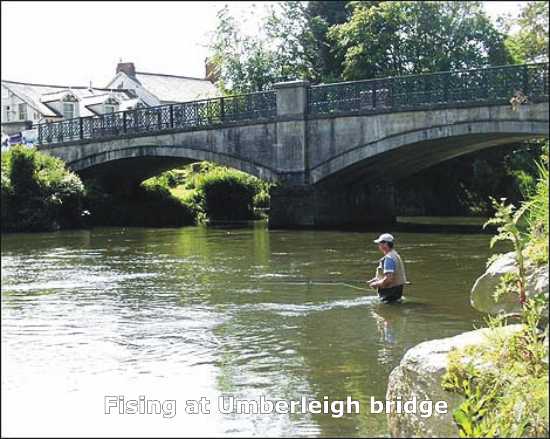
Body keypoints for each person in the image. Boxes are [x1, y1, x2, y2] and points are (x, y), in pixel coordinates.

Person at [368, 233, 407, 303]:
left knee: (382, 313)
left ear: (384, 244)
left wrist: (376, 284)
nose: (379, 245)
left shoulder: (388, 258)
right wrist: (375, 279)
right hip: (397, 292)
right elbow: (393, 274)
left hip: (389, 294)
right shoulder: (395, 255)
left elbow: (388, 279)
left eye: (379, 243)